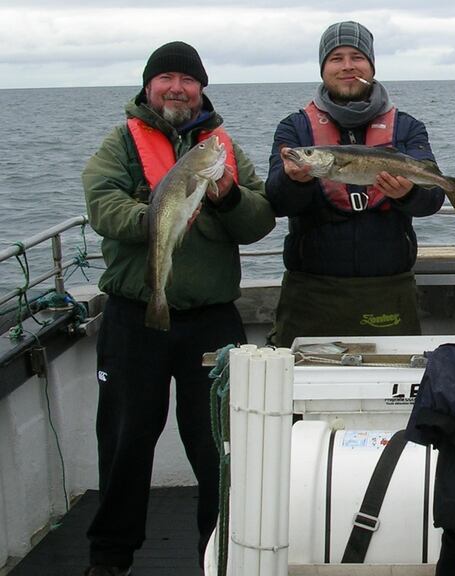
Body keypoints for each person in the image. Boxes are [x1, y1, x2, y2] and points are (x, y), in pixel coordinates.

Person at [81, 41, 276, 575]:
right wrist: (160, 214)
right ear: (148, 87)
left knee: (219, 446)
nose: (176, 87)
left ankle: (219, 555)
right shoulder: (119, 143)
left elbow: (260, 220)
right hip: (134, 316)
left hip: (212, 321)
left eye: (187, 80)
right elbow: (102, 204)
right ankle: (109, 558)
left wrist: (228, 197)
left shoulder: (224, 149)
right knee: (125, 442)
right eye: (165, 77)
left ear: (202, 89)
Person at [266, 20, 446, 347]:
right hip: (311, 292)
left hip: (389, 291)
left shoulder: (407, 128)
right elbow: (276, 202)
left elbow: (432, 200)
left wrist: (409, 193)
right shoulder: (294, 130)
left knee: (391, 392)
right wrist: (295, 183)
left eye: (357, 57)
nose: (347, 66)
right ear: (323, 68)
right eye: (336, 58)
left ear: (371, 66)